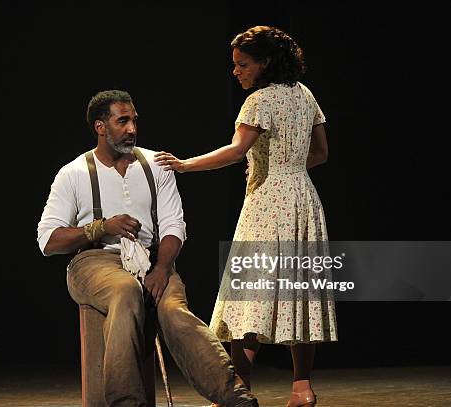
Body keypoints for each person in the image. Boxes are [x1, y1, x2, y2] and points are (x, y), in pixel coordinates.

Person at [37, 90, 259, 406]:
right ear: (100, 126)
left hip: (153, 260)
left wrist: (162, 268)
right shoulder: (73, 174)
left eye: (134, 121)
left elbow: (173, 226)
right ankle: (127, 402)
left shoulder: (156, 165)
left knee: (174, 311)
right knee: (125, 290)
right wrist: (101, 227)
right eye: (122, 121)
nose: (132, 129)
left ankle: (234, 395)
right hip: (95, 261)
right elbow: (48, 240)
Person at [154, 26, 337, 407]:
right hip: (303, 199)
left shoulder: (259, 102)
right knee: (295, 293)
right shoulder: (305, 95)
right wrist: (287, 169)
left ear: (265, 63)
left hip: (268, 203)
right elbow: (320, 154)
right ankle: (302, 388)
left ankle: (238, 389)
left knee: (247, 297)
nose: (235, 71)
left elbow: (237, 151)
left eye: (242, 64)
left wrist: (185, 165)